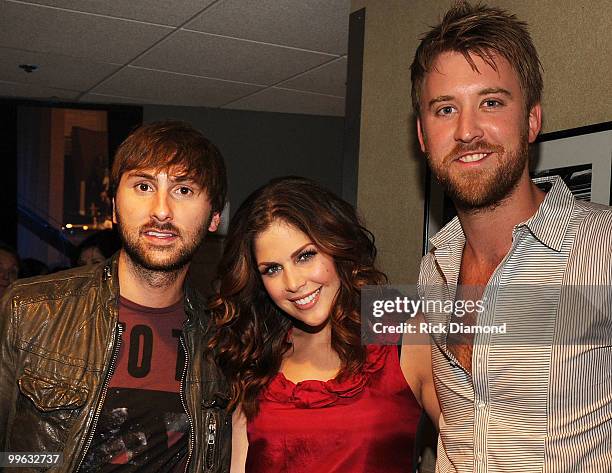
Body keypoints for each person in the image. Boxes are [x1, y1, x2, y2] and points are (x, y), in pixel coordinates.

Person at [411, 2, 612, 472]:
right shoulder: (432, 269)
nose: (466, 131)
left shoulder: (602, 248)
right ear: (423, 135)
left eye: (492, 102)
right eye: (445, 109)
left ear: (532, 121)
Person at [0, 121, 231, 472]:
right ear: (113, 207)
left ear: (214, 216)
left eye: (183, 190)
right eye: (143, 186)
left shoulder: (225, 339)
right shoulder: (30, 311)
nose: (161, 211)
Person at [210, 177, 439, 473]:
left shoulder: (407, 336)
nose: (293, 283)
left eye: (305, 256)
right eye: (272, 269)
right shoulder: (256, 356)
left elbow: (472, 450)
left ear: (337, 245)